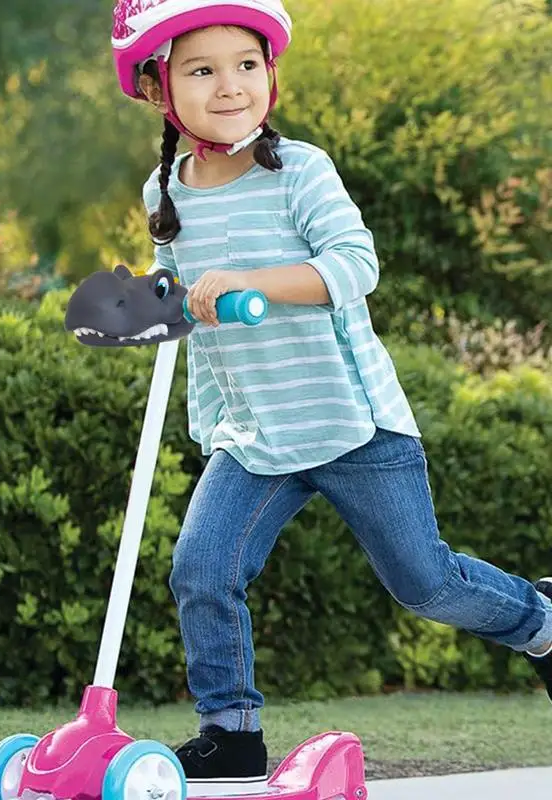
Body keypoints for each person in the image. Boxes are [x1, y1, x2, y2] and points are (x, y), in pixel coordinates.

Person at [111, 0, 552, 794]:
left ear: (270, 73)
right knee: (202, 571)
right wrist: (152, 308)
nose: (230, 86)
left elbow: (353, 267)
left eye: (246, 64)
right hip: (255, 433)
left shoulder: (301, 171)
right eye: (201, 69)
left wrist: (251, 284)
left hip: (352, 423)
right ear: (155, 85)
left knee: (427, 584)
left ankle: (544, 624)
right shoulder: (163, 190)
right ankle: (231, 732)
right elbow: (185, 300)